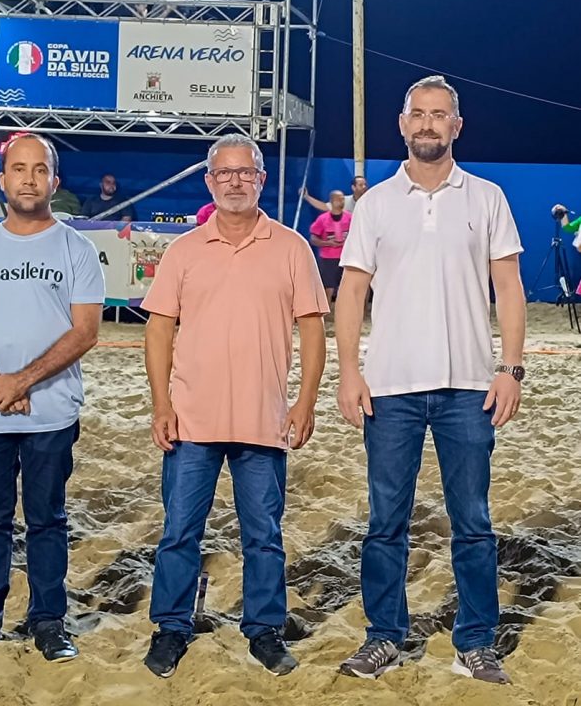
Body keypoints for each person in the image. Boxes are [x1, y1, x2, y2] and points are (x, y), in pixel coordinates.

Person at [335, 75, 525, 685]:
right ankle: (384, 637)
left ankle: (475, 642)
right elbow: (351, 292)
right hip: (389, 390)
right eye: (418, 114)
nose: (427, 124)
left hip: (470, 388)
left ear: (456, 126)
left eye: (439, 115)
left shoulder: (487, 198)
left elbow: (510, 288)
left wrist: (511, 369)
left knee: (472, 521)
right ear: (402, 123)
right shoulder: (375, 205)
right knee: (385, 521)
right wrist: (349, 373)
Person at [140, 134, 328, 679]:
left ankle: (264, 629)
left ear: (261, 179)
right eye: (223, 173)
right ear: (209, 181)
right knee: (179, 531)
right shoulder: (184, 250)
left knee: (264, 536)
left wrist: (305, 401)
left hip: (264, 419)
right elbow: (159, 329)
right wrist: (161, 404)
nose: (235, 181)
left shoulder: (292, 246)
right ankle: (171, 627)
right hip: (192, 419)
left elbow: (313, 328)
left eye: (245, 172)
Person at [0, 132, 104, 665]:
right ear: (3, 178)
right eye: (19, 168)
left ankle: (48, 621)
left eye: (40, 170)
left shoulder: (76, 248)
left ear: (54, 181)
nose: (29, 178)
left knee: (47, 519)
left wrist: (22, 381)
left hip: (51, 411)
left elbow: (85, 332)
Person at [308, 190, 352, 308]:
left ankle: (345, 310)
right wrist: (327, 243)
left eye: (343, 199)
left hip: (346, 257)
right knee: (329, 287)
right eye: (339, 199)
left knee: (347, 286)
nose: (341, 201)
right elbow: (313, 238)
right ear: (332, 201)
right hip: (328, 258)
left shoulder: (349, 217)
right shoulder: (323, 219)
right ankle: (326, 311)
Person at [303, 175, 368, 214]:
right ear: (353, 187)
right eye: (361, 185)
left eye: (365, 184)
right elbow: (324, 207)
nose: (364, 187)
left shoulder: (371, 202)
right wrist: (307, 197)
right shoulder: (344, 200)